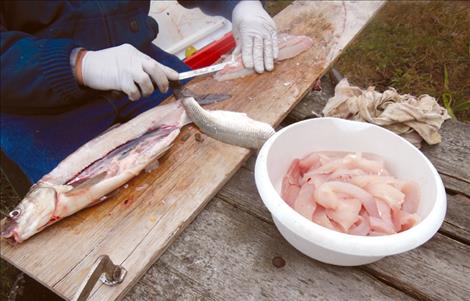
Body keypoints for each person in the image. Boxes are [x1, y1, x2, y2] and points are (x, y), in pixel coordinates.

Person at [0, 0, 278, 196]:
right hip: (35, 101)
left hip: (145, 66)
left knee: (237, 154)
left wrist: (242, 4)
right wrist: (79, 65)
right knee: (97, 213)